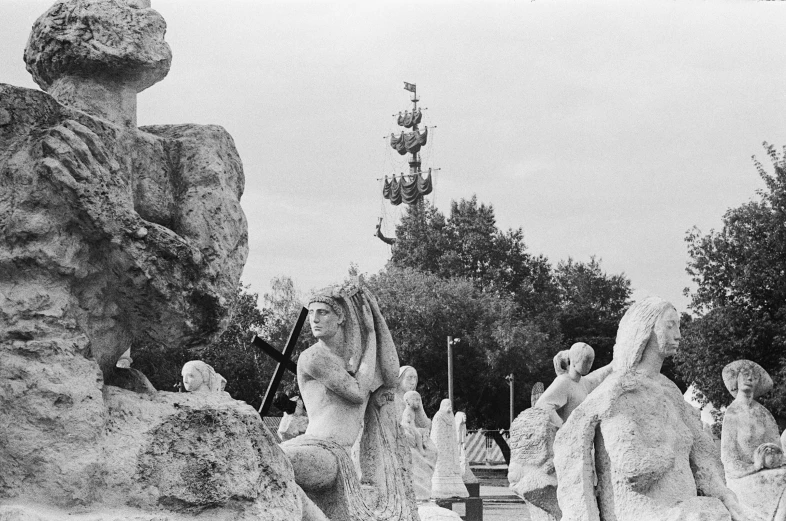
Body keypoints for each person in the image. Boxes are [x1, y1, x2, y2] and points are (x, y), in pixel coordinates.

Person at [554, 297, 760, 521]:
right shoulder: (620, 392)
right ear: (645, 329)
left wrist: (727, 497)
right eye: (670, 325)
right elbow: (634, 469)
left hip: (683, 509)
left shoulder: (669, 391)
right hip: (642, 512)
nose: (678, 334)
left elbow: (702, 456)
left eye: (678, 326)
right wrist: (670, 440)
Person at [280, 281, 416, 521]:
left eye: (323, 312)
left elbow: (391, 374)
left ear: (341, 317)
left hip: (333, 454)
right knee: (271, 464)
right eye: (311, 313)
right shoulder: (312, 357)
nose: (314, 319)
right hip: (316, 447)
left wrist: (375, 323)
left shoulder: (357, 362)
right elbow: (357, 391)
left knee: (271, 465)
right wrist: (371, 337)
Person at [721, 360, 786, 520]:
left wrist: (771, 456)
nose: (750, 378)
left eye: (754, 376)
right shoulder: (732, 413)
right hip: (743, 478)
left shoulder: (763, 413)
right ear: (736, 379)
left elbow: (778, 451)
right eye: (745, 375)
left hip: (768, 472)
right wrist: (755, 466)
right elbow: (728, 461)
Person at [535, 342, 612, 427]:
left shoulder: (583, 382)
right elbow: (543, 404)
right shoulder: (563, 381)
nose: (589, 365)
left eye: (590, 361)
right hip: (566, 436)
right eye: (586, 361)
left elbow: (598, 376)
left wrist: (615, 363)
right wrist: (562, 427)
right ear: (574, 361)